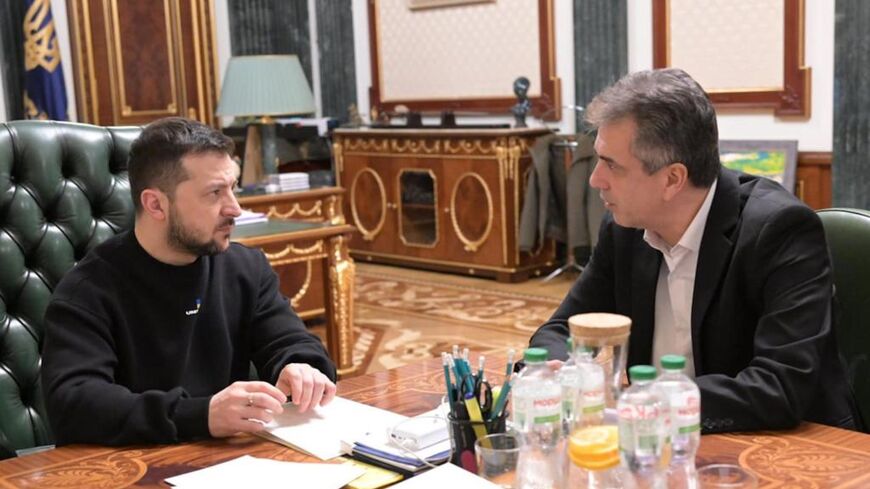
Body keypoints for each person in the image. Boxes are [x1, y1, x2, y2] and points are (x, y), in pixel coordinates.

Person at [529, 68, 860, 433]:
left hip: (793, 444)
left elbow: (780, 387)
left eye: (611, 165)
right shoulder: (625, 229)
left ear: (672, 179)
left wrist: (651, 401)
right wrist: (554, 370)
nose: (595, 180)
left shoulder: (780, 231)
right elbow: (560, 329)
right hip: (662, 439)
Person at [42, 117, 337, 445]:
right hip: (135, 462)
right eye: (214, 193)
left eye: (233, 188)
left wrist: (301, 368)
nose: (235, 208)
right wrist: (201, 415)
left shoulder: (246, 268)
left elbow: (292, 342)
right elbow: (74, 404)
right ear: (156, 204)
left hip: (232, 457)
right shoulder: (87, 291)